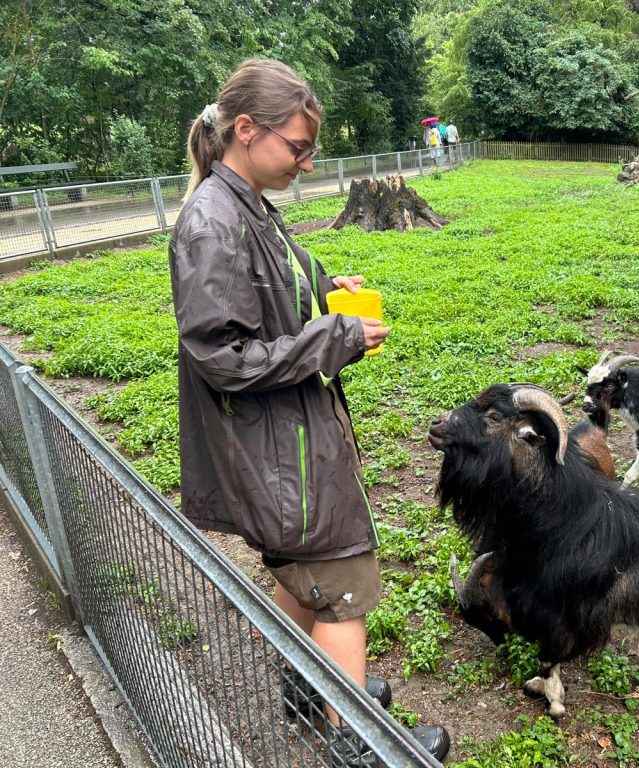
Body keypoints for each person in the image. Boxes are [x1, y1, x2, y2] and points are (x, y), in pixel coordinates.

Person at [169, 59, 450, 766]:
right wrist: (335, 336)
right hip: (277, 447)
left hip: (285, 436)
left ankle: (307, 684)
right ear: (245, 130)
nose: (306, 160)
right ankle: (357, 743)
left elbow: (273, 280)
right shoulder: (212, 222)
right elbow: (222, 355)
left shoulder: (245, 202)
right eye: (297, 146)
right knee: (342, 583)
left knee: (301, 570)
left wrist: (326, 289)